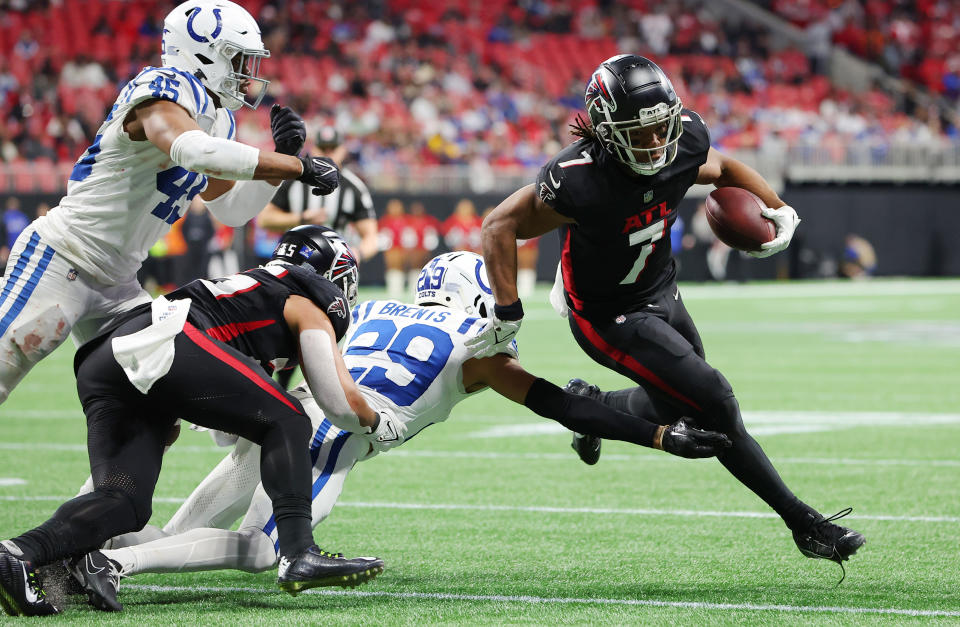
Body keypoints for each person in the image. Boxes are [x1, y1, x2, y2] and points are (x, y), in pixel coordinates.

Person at [65, 252, 731, 612]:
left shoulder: (378, 306)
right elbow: (565, 406)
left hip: (282, 405)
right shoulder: (479, 351)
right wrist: (658, 435)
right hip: (334, 436)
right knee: (263, 551)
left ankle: (113, 545)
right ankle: (115, 559)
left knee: (208, 500)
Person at [474, 54, 865, 573]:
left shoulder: (681, 142)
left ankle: (593, 404)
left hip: (660, 289)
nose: (658, 144)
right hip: (605, 314)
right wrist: (507, 311)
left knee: (681, 404)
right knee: (714, 401)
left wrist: (777, 208)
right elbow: (498, 224)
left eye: (662, 128)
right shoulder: (579, 179)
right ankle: (805, 524)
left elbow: (723, 167)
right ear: (608, 131)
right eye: (642, 133)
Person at [0, 226, 404, 616]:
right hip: (165, 342)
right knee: (291, 417)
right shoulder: (304, 299)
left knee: (123, 502)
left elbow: (225, 431)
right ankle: (299, 553)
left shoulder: (255, 287)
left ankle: (19, 554)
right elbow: (336, 401)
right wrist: (378, 423)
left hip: (109, 358)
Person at [0, 0, 341, 406]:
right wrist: (293, 166)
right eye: (236, 58)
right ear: (203, 51)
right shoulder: (164, 85)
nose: (245, 73)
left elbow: (231, 209)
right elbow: (191, 150)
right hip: (65, 257)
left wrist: (277, 163)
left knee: (150, 413)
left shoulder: (217, 116)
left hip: (121, 282)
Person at [257, 126, 379, 264]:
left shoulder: (354, 187)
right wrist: (301, 218)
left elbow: (371, 236)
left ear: (343, 150)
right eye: (323, 148)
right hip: (294, 261)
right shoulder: (292, 180)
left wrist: (357, 254)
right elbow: (264, 220)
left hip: (335, 265)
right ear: (313, 149)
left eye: (333, 148)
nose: (328, 154)